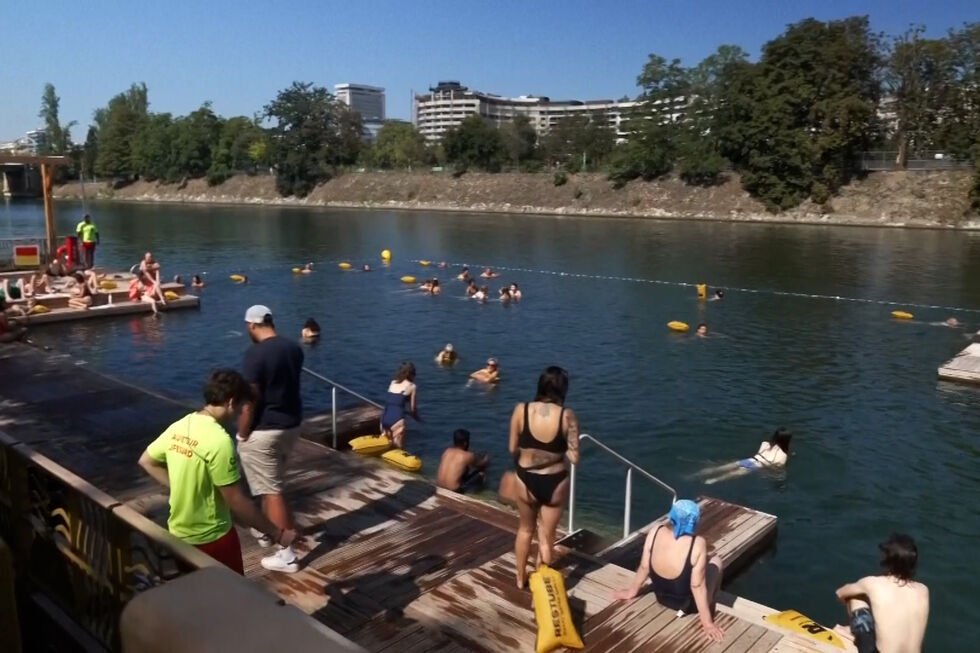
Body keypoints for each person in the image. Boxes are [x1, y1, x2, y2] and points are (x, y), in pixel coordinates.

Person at [138, 370, 298, 574]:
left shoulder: (181, 425)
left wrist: (180, 488)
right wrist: (278, 534)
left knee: (198, 599)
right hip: (213, 539)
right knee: (231, 598)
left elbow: (146, 461)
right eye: (240, 408)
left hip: (179, 536)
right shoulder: (219, 440)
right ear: (231, 402)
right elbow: (236, 500)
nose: (238, 414)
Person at [237, 305, 305, 573]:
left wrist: (242, 433)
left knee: (272, 491)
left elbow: (250, 401)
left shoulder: (255, 355)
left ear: (252, 325)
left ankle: (286, 554)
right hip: (291, 426)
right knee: (272, 484)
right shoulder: (294, 348)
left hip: (264, 430)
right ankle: (267, 531)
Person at [502, 366, 580, 588]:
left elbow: (511, 448)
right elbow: (574, 458)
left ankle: (519, 578)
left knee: (525, 529)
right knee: (546, 535)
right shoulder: (567, 416)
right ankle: (540, 576)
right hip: (554, 482)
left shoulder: (521, 410)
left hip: (526, 478)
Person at [611, 499, 725, 643]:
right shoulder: (697, 543)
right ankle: (711, 605)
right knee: (716, 562)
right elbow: (697, 586)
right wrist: (708, 624)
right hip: (686, 606)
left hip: (661, 597)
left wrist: (631, 592)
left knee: (700, 560)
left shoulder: (656, 530)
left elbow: (645, 566)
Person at [833, 533, 929, 653]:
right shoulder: (923, 590)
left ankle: (854, 631)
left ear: (887, 560)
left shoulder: (873, 583)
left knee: (855, 598)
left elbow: (840, 593)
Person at [697, 428, 792, 485]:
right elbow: (777, 467)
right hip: (756, 466)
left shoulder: (765, 444)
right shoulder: (783, 455)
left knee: (719, 468)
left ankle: (694, 475)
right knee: (729, 475)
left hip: (749, 460)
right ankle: (711, 480)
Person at [379, 362, 419, 449]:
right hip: (397, 420)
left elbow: (392, 400)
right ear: (412, 374)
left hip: (384, 419)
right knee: (398, 448)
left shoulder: (393, 382)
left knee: (388, 445)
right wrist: (417, 418)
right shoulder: (412, 386)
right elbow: (413, 409)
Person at [436, 429, 489, 493]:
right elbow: (481, 464)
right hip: (454, 490)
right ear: (465, 443)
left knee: (463, 468)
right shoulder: (467, 455)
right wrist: (486, 459)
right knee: (482, 472)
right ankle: (481, 492)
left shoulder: (447, 451)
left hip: (439, 486)